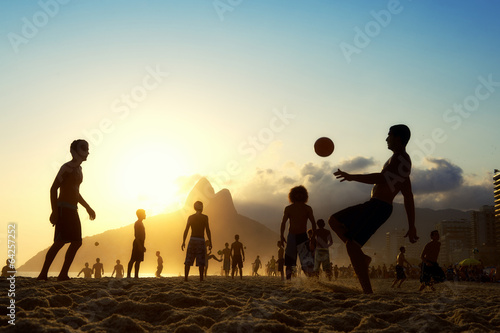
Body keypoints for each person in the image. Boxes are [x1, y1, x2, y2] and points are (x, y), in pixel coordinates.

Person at [328, 124, 417, 294]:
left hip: (379, 207)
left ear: (398, 138)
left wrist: (352, 176)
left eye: (389, 135)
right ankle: (362, 259)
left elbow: (383, 178)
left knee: (350, 244)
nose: (386, 139)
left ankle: (367, 290)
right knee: (335, 222)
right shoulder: (400, 160)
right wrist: (411, 225)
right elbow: (408, 194)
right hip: (376, 206)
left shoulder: (401, 159)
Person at [37, 140, 96, 281]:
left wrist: (87, 207)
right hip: (63, 209)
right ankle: (43, 274)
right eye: (84, 148)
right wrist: (55, 212)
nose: (87, 152)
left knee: (76, 242)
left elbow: (76, 192)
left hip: (73, 209)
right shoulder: (67, 168)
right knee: (60, 242)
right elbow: (53, 189)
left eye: (87, 149)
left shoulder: (79, 170)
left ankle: (63, 274)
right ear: (75, 151)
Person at [280, 185, 317, 280]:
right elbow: (283, 222)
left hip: (303, 236)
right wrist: (281, 235)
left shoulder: (307, 208)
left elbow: (313, 222)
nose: (299, 195)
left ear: (304, 195)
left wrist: (313, 236)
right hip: (291, 236)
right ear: (293, 195)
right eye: (297, 194)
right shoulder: (288, 208)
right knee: (289, 261)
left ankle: (312, 281)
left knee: (306, 262)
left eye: (301, 193)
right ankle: (288, 281)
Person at [182, 201, 212, 282]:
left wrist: (183, 241)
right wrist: (210, 242)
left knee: (188, 260)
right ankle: (201, 279)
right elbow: (208, 230)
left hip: (192, 240)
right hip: (201, 240)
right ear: (201, 208)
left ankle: (186, 278)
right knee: (201, 261)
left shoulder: (191, 217)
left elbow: (186, 230)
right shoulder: (205, 217)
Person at [127, 209, 146, 278]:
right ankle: (128, 275)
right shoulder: (137, 223)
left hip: (141, 242)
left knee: (138, 260)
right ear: (140, 215)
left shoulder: (141, 223)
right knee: (133, 259)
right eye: (144, 213)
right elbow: (136, 235)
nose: (145, 215)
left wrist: (143, 246)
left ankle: (136, 275)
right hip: (137, 242)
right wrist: (139, 245)